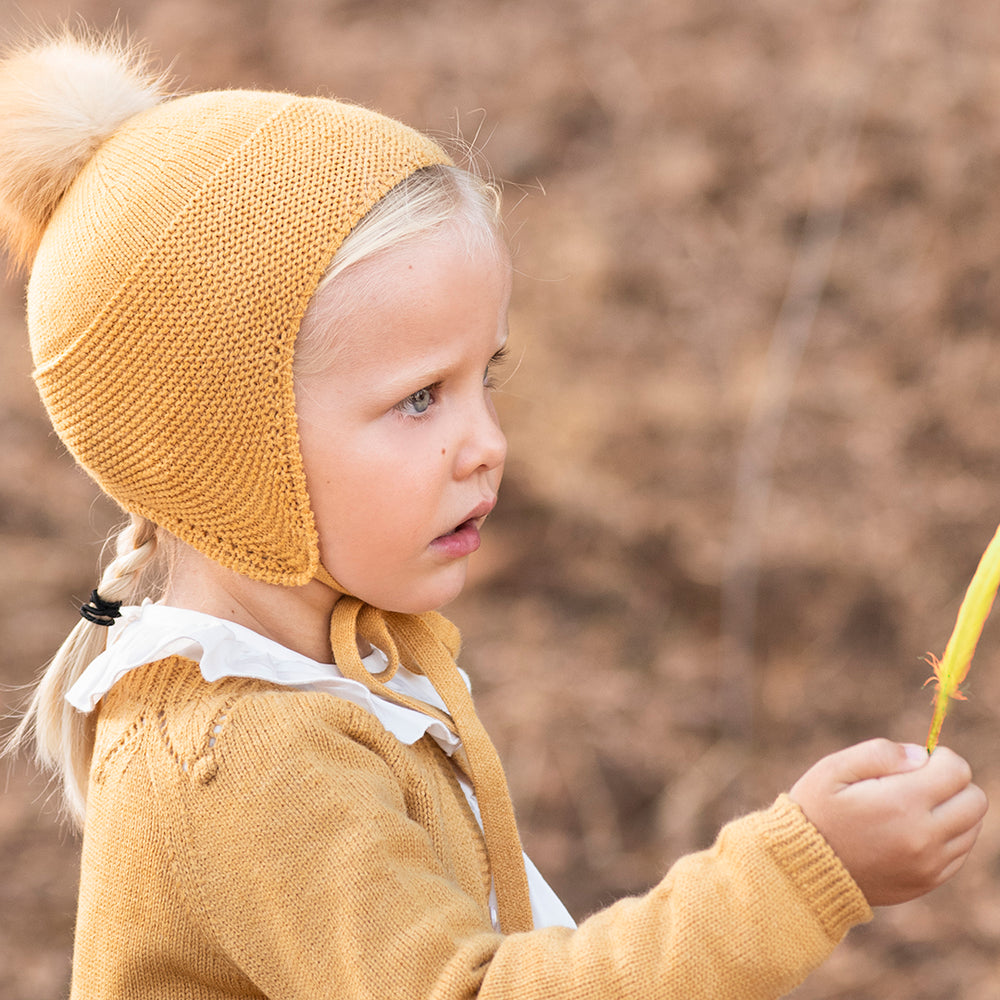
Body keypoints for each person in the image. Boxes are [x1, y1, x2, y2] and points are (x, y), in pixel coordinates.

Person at [0, 27, 987, 1000]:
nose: (487, 442)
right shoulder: (245, 762)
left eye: (488, 376)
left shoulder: (338, 658)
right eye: (421, 395)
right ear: (223, 449)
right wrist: (795, 877)